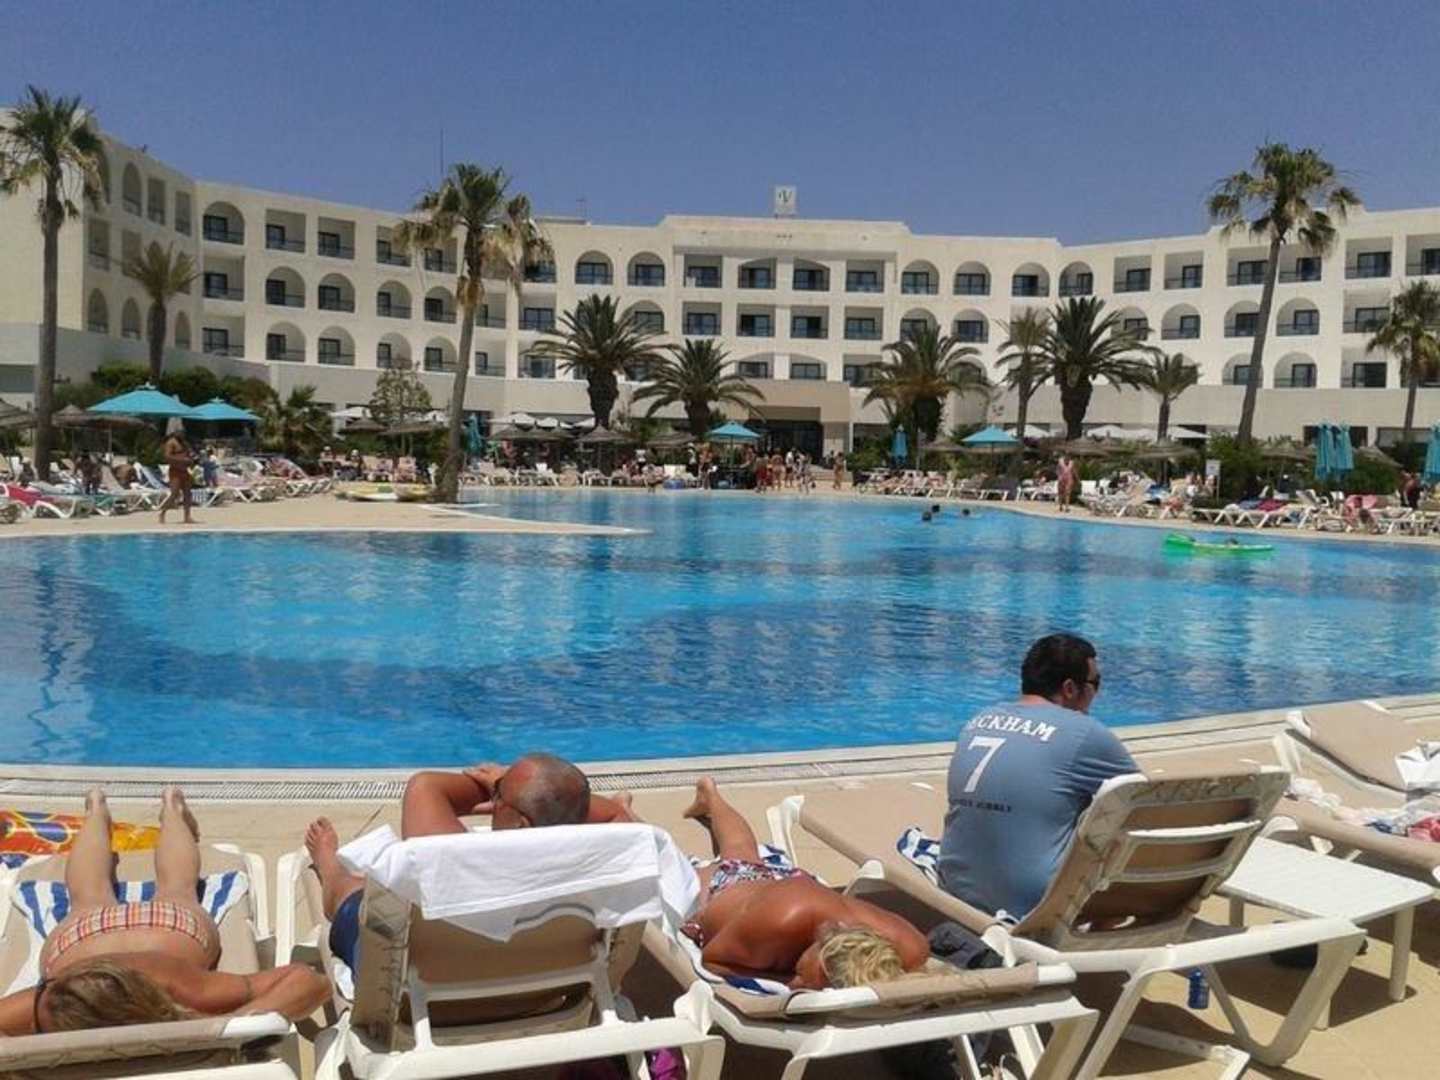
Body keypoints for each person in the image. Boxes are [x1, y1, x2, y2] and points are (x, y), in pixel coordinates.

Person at [0, 788, 329, 1035]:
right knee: (174, 888)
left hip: (106, 946)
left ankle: (97, 811)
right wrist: (230, 1025)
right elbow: (310, 981)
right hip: (147, 938)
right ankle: (168, 809)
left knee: (88, 895)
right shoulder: (180, 988)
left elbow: (309, 983)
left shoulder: (52, 1007)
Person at [305, 755, 634, 972]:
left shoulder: (451, 859)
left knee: (355, 892)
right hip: (546, 994)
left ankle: (328, 867)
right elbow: (617, 814)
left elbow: (425, 786)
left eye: (498, 795)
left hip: (429, 1000)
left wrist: (496, 785)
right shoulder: (597, 860)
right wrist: (536, 802)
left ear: (519, 822)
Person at [938, 634, 1136, 921]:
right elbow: (1147, 805)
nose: (1096, 693)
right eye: (1096, 683)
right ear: (1070, 688)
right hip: (1031, 904)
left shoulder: (979, 720)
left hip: (954, 887)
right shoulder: (1083, 733)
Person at [679, 779, 928, 989]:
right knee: (693, 874)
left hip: (799, 888)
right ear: (823, 946)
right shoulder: (779, 921)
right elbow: (713, 961)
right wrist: (790, 981)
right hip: (734, 889)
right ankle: (707, 795)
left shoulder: (912, 948)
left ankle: (709, 796)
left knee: (743, 851)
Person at [157, 419, 195, 525]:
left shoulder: (184, 443)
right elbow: (167, 457)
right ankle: (162, 513)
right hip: (175, 471)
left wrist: (191, 458)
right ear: (176, 432)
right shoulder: (171, 443)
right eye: (181, 432)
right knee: (174, 494)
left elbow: (190, 453)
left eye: (184, 432)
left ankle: (187, 516)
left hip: (184, 470)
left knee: (188, 493)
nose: (183, 434)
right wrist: (182, 460)